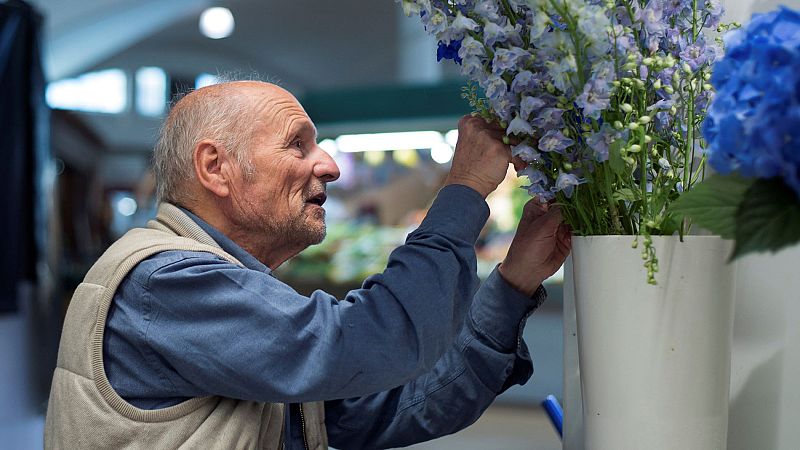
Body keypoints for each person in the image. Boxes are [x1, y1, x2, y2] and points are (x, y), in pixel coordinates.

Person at [44, 81, 571, 449]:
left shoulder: (229, 291)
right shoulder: (165, 282)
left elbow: (402, 405)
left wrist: (515, 280)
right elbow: (366, 344)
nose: (331, 166)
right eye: (298, 144)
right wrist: (463, 191)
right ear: (216, 168)